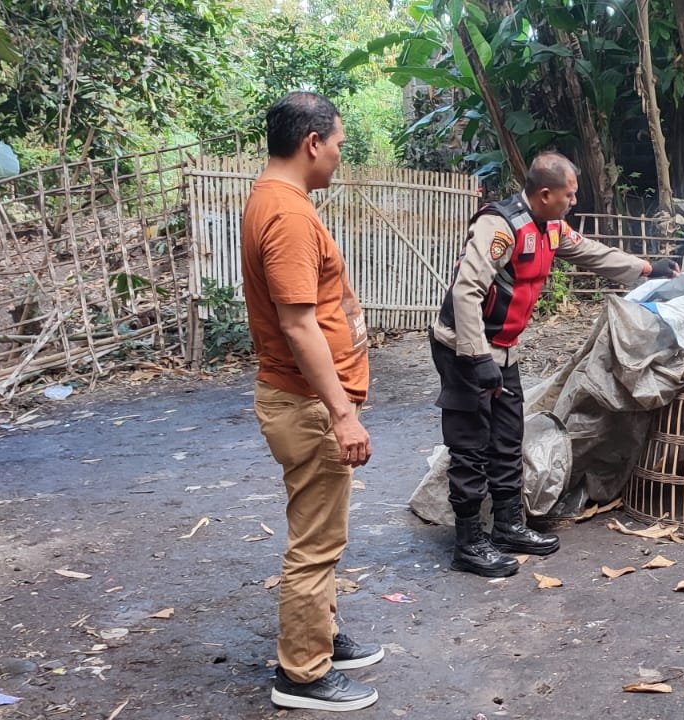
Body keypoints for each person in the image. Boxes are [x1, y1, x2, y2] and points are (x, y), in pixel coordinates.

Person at [431, 152, 679, 578]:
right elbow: (465, 292)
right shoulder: (500, 226)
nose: (573, 200)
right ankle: (469, 543)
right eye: (569, 194)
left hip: (503, 348)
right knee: (471, 444)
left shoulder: (550, 228)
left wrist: (646, 268)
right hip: (464, 348)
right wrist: (476, 358)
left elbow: (593, 254)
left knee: (508, 437)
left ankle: (508, 525)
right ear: (545, 193)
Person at [241, 92, 382, 713]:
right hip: (309, 404)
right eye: (340, 146)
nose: (339, 158)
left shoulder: (275, 200)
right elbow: (299, 325)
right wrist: (342, 412)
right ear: (312, 143)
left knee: (322, 533)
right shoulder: (289, 216)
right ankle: (301, 674)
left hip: (304, 400)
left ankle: (318, 634)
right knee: (316, 543)